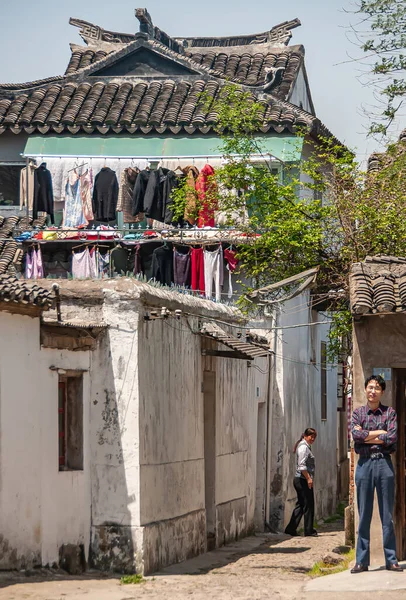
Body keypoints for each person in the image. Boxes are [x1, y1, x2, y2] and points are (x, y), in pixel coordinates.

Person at [351, 375, 403, 573]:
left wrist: (367, 435)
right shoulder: (358, 413)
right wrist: (378, 433)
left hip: (384, 464)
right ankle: (361, 561)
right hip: (364, 465)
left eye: (377, 388)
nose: (373, 391)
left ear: (382, 392)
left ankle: (391, 559)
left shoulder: (389, 413)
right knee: (364, 514)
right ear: (365, 389)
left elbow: (391, 438)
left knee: (387, 514)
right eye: (370, 387)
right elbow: (356, 436)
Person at [285, 427, 318, 537]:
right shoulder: (304, 448)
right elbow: (302, 466)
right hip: (302, 479)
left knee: (301, 504)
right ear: (305, 436)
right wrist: (308, 478)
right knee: (308, 504)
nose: (312, 438)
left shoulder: (305, 447)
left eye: (314, 437)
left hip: (301, 479)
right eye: (311, 436)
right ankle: (308, 530)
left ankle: (291, 528)